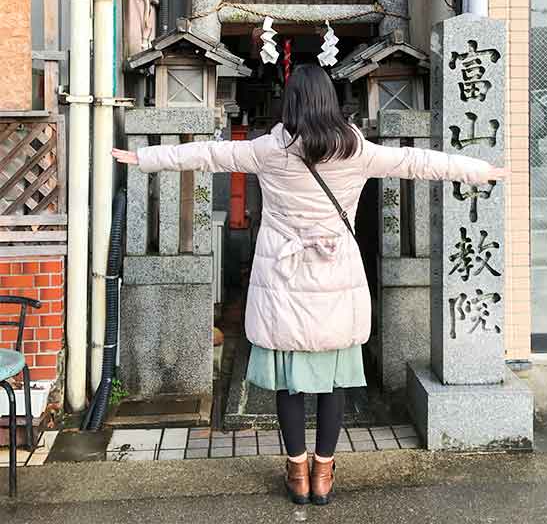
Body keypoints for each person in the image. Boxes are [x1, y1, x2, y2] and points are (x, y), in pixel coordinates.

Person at [113, 63, 506, 506]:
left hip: (283, 279)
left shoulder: (268, 148)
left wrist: (143, 158)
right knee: (333, 382)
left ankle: (297, 472)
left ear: (292, 101)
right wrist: (478, 170)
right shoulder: (356, 149)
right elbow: (417, 162)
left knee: (289, 383)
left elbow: (208, 154)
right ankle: (323, 473)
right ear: (330, 102)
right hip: (336, 278)